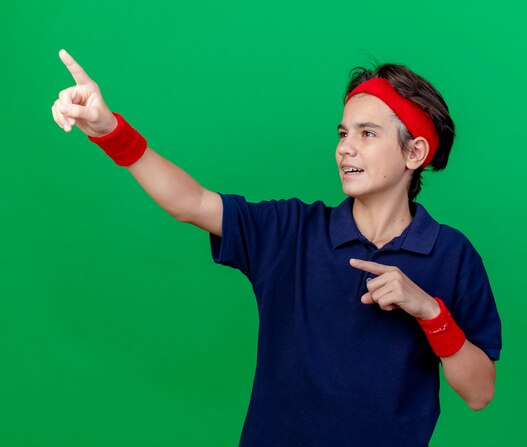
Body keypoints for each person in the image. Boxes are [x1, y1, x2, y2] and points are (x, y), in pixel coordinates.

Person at [51, 49, 502, 446]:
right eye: (343, 134)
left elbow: (480, 393)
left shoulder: (453, 255)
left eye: (367, 134)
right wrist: (108, 129)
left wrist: (429, 311)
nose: (345, 149)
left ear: (414, 152)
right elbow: (191, 203)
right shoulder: (291, 231)